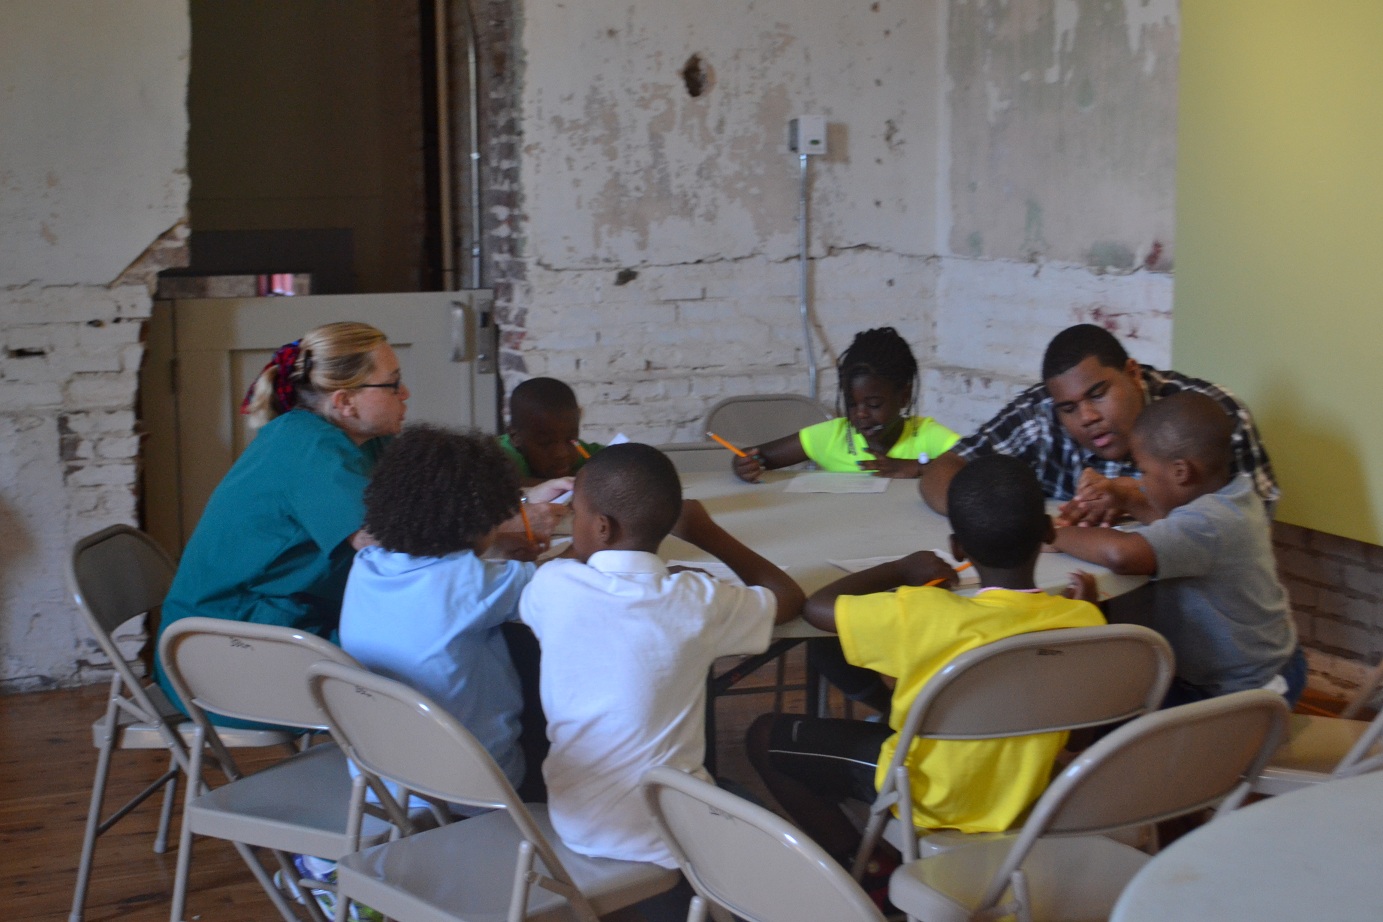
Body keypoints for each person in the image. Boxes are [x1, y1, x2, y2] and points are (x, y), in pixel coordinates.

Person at [746, 454, 1103, 875]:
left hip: (928, 795)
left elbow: (816, 606)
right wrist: (1088, 617)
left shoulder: (924, 612)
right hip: (1027, 793)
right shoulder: (1083, 621)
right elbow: (1078, 739)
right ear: (1048, 532)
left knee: (764, 736)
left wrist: (901, 568)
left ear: (957, 548)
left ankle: (867, 869)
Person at [519, 443, 804, 867]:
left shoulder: (554, 586)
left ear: (600, 527)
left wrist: (590, 542)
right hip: (672, 836)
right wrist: (706, 532)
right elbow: (789, 598)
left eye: (575, 513)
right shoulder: (696, 602)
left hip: (575, 823)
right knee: (755, 809)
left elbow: (562, 568)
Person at [155, 322, 410, 707]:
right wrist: (514, 523)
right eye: (392, 384)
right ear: (345, 401)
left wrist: (517, 504)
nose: (404, 393)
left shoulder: (363, 439)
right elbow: (387, 536)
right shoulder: (308, 446)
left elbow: (427, 495)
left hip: (278, 630)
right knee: (426, 653)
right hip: (223, 661)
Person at [1052, 392, 1305, 707]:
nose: (1141, 482)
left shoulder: (1211, 522)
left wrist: (1049, 533)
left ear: (1181, 472)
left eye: (1143, 471)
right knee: (1125, 705)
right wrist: (1128, 498)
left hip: (1246, 690)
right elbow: (1174, 525)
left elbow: (1123, 555)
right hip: (1232, 671)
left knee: (1120, 717)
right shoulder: (1233, 494)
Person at [340, 425, 545, 798]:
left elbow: (448, 582)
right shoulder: (473, 583)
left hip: (380, 782)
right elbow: (555, 584)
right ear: (479, 519)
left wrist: (493, 544)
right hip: (476, 786)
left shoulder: (367, 565)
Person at [918, 324, 1278, 525]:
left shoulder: (1211, 416)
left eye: (1098, 394)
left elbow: (1250, 528)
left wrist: (1134, 498)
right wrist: (997, 518)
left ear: (1133, 374)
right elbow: (946, 468)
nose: (1087, 417)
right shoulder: (1041, 414)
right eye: (1069, 408)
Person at [733, 327, 959, 482]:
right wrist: (743, 463)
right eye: (852, 404)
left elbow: (980, 468)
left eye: (873, 404)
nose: (860, 414)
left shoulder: (926, 434)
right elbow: (758, 456)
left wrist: (917, 467)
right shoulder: (834, 436)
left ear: (904, 396)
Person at [498, 376, 603, 484]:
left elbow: (615, 460)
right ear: (515, 437)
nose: (562, 453)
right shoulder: (501, 455)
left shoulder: (579, 448)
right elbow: (506, 486)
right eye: (546, 443)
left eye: (571, 439)